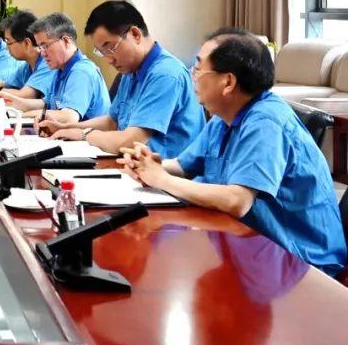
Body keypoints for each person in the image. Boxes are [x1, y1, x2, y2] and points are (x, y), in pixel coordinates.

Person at [119, 29, 346, 276]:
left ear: (228, 82)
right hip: (251, 246)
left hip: (300, 263)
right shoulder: (224, 116)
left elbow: (237, 201)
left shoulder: (266, 123)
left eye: (198, 69)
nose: (193, 76)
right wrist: (148, 164)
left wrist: (161, 179)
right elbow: (183, 166)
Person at [41, 0, 205, 157]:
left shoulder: (165, 74)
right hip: (135, 167)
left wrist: (84, 134)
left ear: (135, 34)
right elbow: (112, 122)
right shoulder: (131, 70)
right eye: (102, 52)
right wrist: (65, 127)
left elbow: (131, 141)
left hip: (167, 172)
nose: (109, 59)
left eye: (110, 48)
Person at [0, 12, 110, 124]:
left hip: (88, 135)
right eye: (40, 47)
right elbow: (45, 104)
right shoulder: (59, 69)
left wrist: (21, 116)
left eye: (45, 46)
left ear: (66, 41)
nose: (42, 53)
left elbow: (68, 117)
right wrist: (11, 101)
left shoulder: (81, 72)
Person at [0, 10, 56, 100]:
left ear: (27, 43)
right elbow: (5, 85)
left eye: (8, 42)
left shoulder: (47, 63)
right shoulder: (27, 66)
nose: (6, 48)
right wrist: (1, 89)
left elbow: (26, 95)